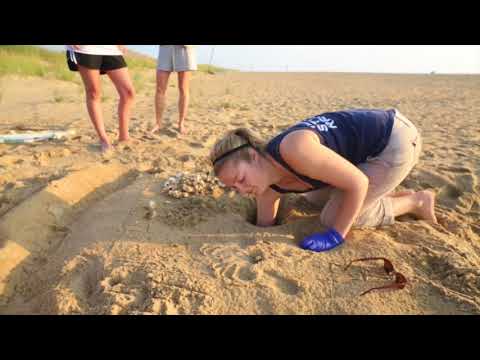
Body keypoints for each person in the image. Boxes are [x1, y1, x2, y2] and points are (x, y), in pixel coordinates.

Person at [210, 108, 438, 252]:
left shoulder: (295, 150)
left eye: (240, 178)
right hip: (360, 154)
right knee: (314, 198)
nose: (241, 190)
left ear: (252, 155)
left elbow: (358, 183)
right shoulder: (267, 187)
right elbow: (263, 226)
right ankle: (386, 194)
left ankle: (416, 201)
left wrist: (337, 234)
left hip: (392, 140)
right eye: (233, 187)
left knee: (333, 217)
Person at [65, 45, 135, 153]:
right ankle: (103, 139)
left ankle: (124, 136)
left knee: (128, 93)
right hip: (86, 49)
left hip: (111, 49)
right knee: (94, 92)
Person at [151, 45, 197, 135]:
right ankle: (158, 123)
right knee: (160, 89)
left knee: (183, 88)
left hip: (184, 49)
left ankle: (181, 123)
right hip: (165, 49)